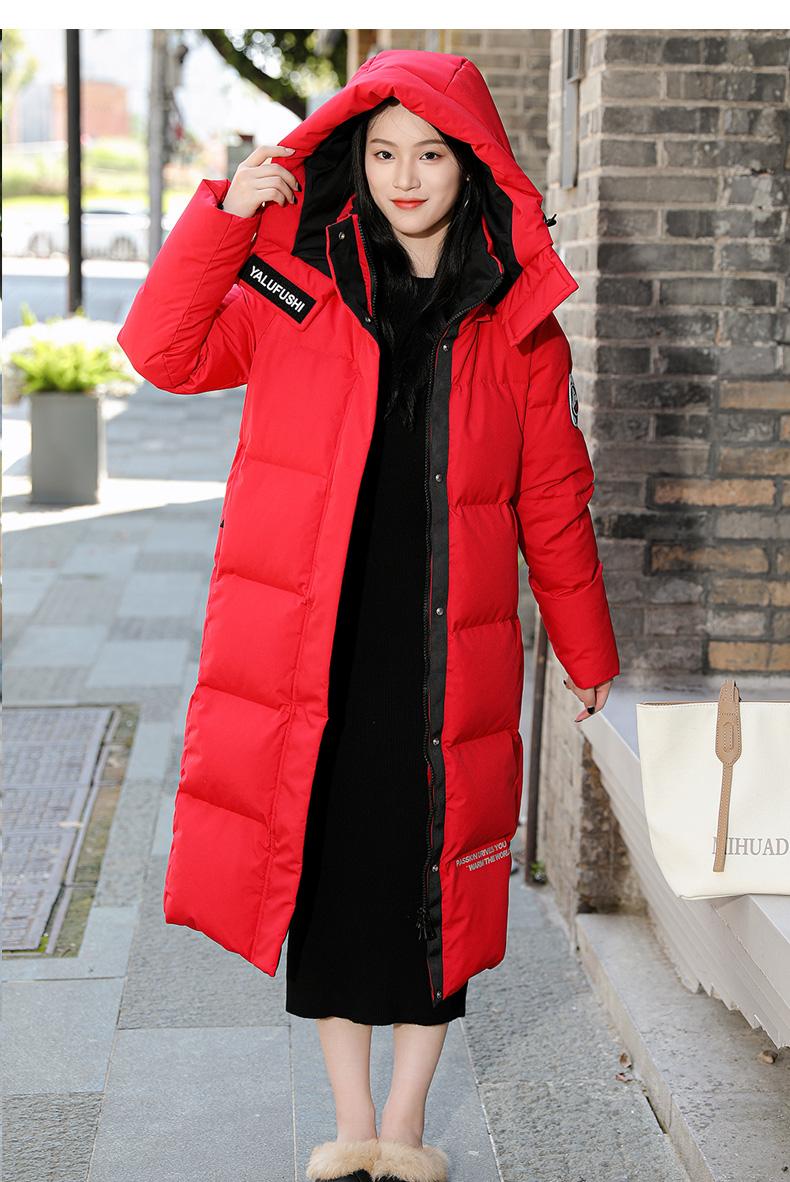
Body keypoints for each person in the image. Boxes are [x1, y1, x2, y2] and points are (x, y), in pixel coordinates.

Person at [117, 49, 619, 1182]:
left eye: (430, 154)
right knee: (333, 882)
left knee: (435, 888)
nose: (404, 176)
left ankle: (405, 1126)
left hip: (446, 654)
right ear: (356, 158)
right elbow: (161, 352)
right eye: (383, 152)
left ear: (470, 166)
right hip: (316, 652)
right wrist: (223, 221)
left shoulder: (517, 323)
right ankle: (350, 1128)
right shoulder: (291, 287)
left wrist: (585, 649)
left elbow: (553, 495)